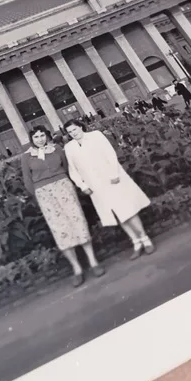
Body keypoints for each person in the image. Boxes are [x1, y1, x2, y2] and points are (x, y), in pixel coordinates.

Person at [21, 125, 105, 286]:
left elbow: (66, 167)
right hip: (44, 194)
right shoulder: (26, 157)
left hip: (64, 187)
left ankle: (93, 262)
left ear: (47, 135)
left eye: (42, 135)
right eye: (36, 137)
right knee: (59, 228)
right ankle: (77, 268)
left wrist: (62, 182)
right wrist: (40, 193)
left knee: (77, 220)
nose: (40, 139)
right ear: (31, 139)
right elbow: (27, 181)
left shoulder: (57, 149)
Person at [63, 119, 155, 260]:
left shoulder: (96, 135)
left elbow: (110, 154)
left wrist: (114, 174)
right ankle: (136, 242)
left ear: (80, 127)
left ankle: (145, 239)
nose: (73, 133)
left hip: (112, 180)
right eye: (69, 132)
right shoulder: (69, 147)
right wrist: (83, 186)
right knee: (115, 213)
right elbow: (73, 170)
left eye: (74, 129)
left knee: (127, 210)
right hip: (95, 187)